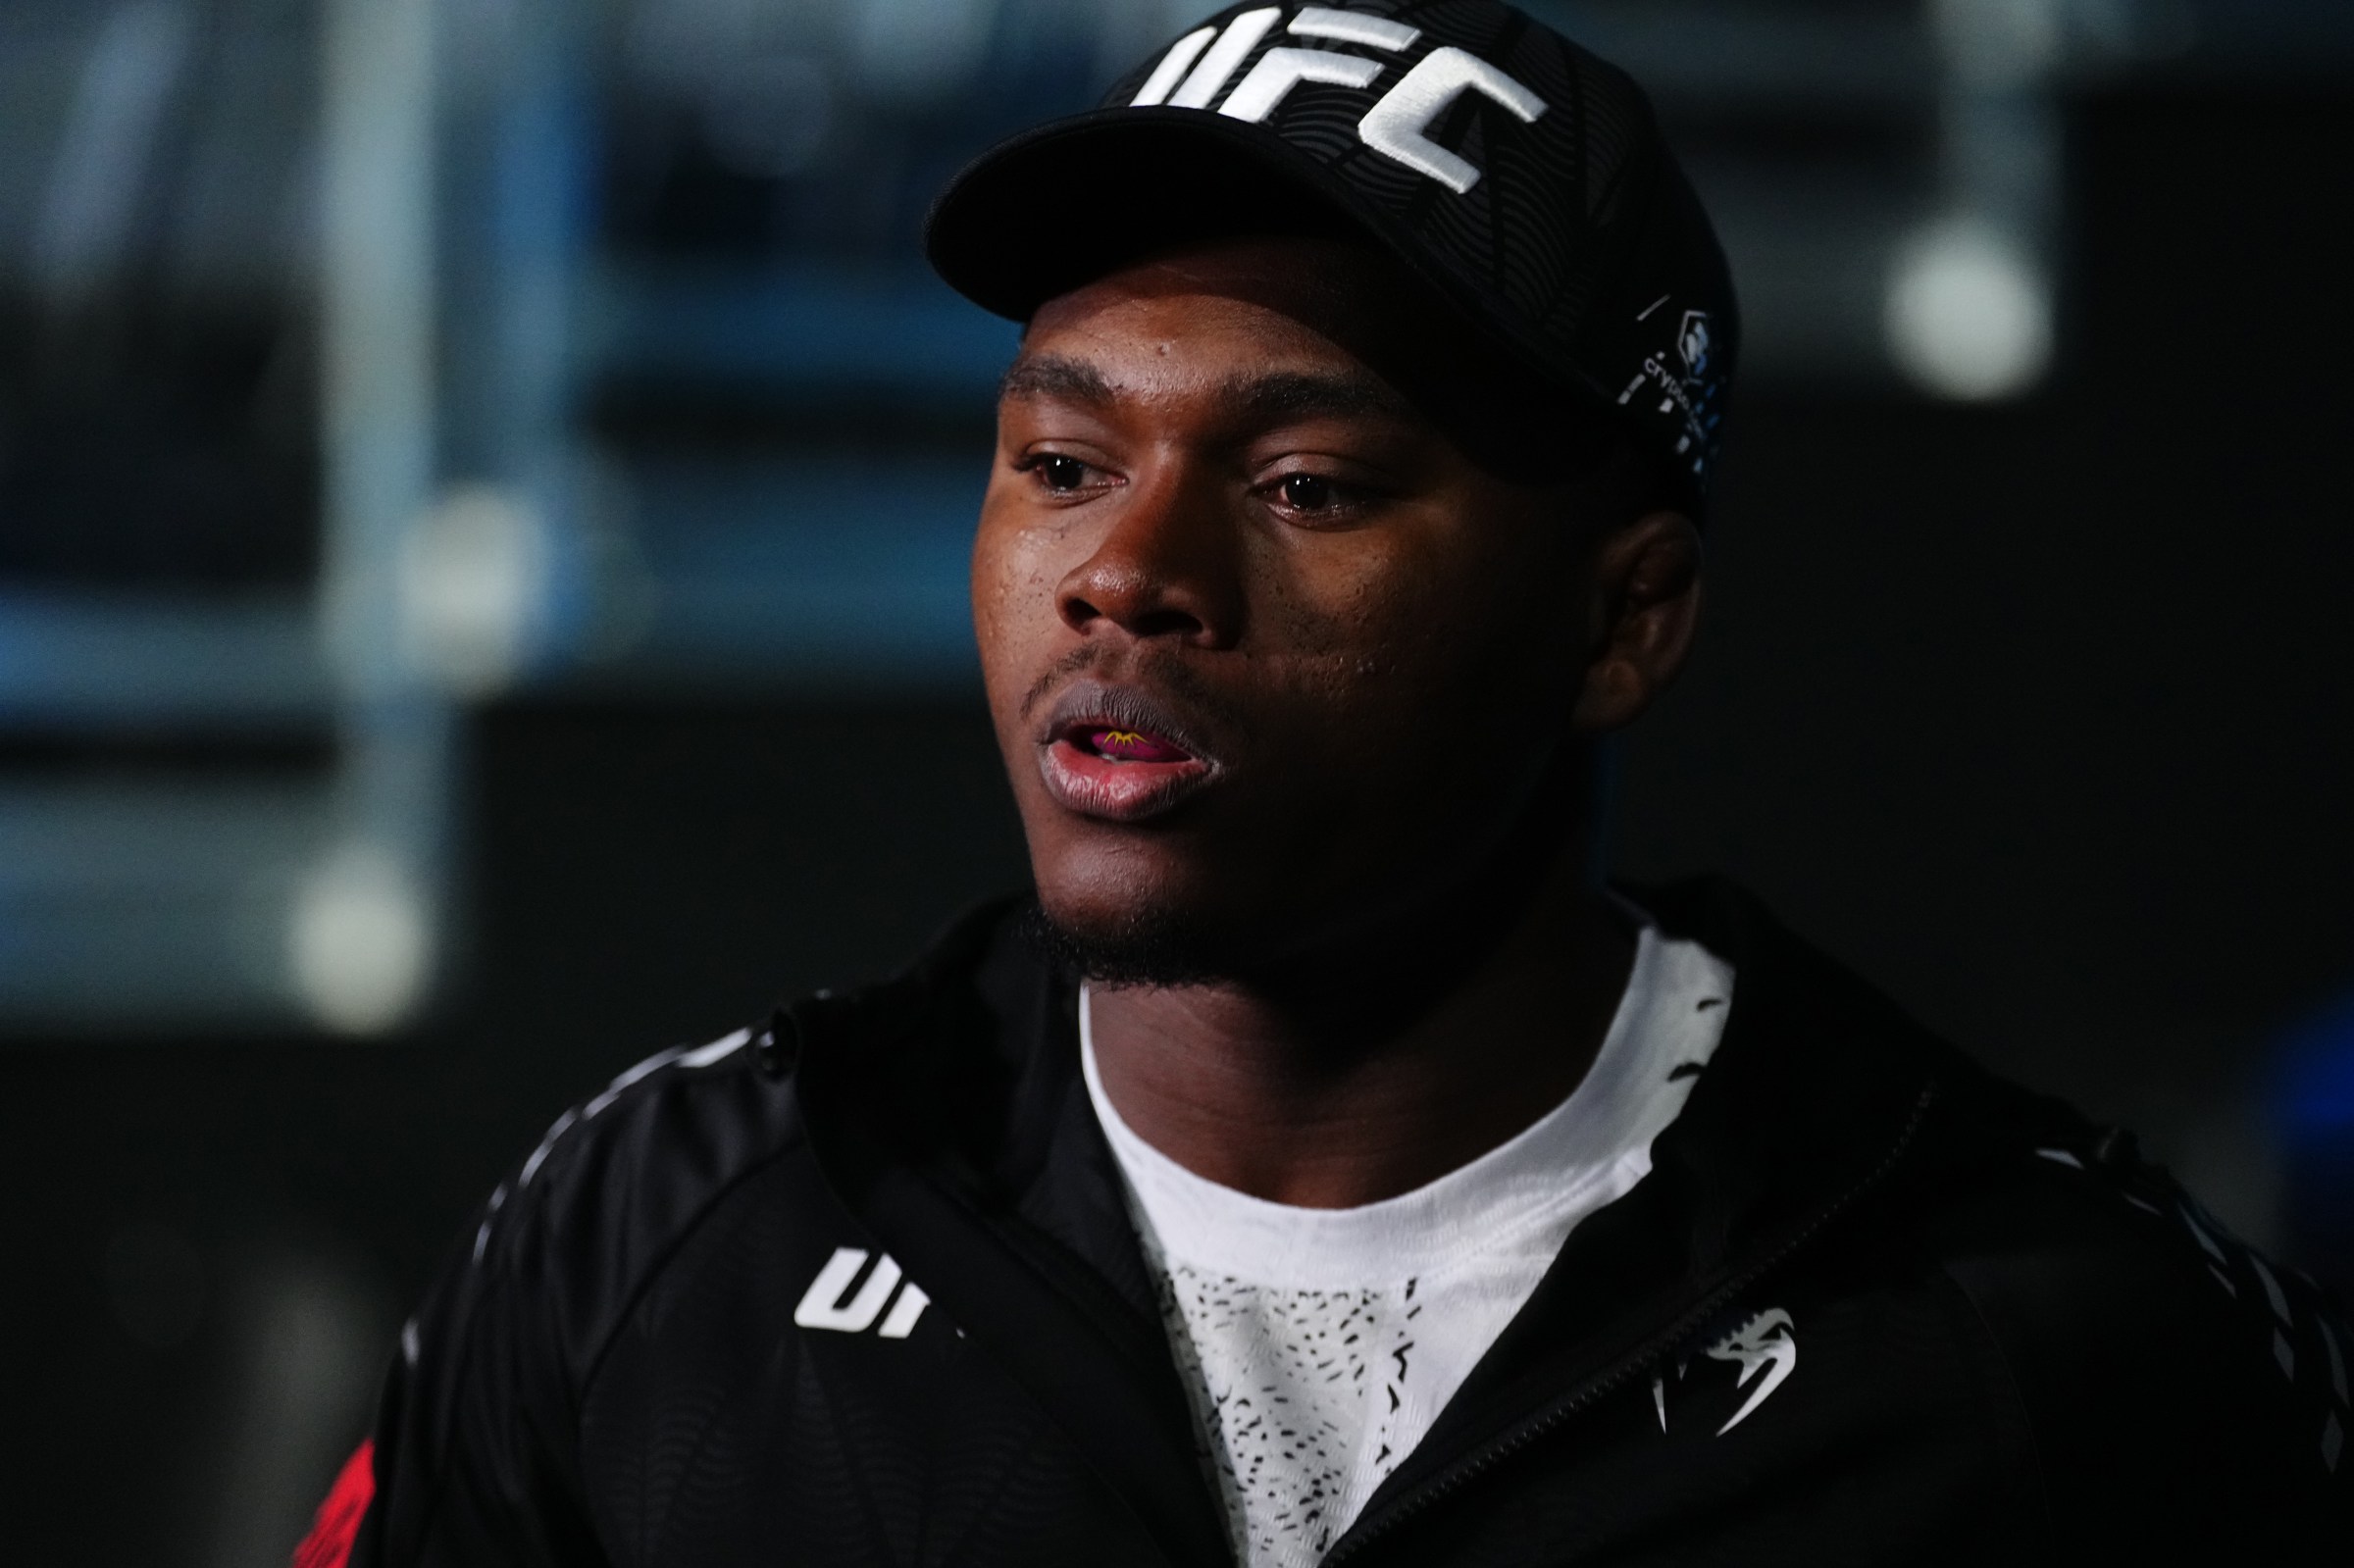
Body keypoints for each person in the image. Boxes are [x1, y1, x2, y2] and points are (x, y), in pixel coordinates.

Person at [298, 4, 2351, 1564]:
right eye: (1064, 462)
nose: (1128, 573)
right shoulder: (665, 1237)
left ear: (1624, 619)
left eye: (1305, 484)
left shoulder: (2037, 1332)